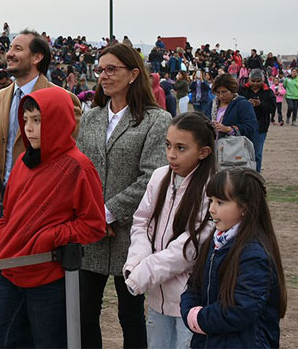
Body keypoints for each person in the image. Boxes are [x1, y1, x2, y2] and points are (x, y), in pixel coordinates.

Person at [0, 87, 105, 348]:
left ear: (58, 119)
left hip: (47, 276)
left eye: (37, 120)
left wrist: (51, 237)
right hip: (10, 269)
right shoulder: (24, 159)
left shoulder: (78, 166)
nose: (29, 128)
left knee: (47, 343)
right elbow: (9, 209)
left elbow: (94, 225)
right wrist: (2, 238)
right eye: (25, 120)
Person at [76, 43, 171, 348]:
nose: (103, 75)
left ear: (133, 73)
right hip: (90, 231)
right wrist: (91, 214)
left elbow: (152, 177)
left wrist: (107, 212)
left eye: (111, 69)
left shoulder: (157, 121)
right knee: (84, 312)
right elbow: (79, 169)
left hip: (131, 233)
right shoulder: (90, 118)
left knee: (130, 315)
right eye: (100, 69)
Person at [124, 112, 217, 348]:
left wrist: (145, 271)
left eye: (181, 148)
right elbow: (142, 223)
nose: (171, 154)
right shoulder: (159, 176)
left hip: (190, 302)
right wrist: (136, 262)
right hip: (157, 299)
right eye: (168, 145)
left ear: (204, 152)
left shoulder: (213, 189)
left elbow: (190, 247)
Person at [180, 168, 287, 348]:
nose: (212, 209)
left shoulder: (254, 255)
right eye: (211, 200)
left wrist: (199, 318)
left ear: (244, 208)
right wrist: (189, 311)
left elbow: (240, 310)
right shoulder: (214, 242)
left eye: (220, 202)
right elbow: (194, 285)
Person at [0, 30, 81, 188]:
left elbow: (70, 156)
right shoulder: (0, 96)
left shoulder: (63, 99)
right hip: (1, 196)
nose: (9, 54)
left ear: (37, 57)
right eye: (10, 48)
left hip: (38, 196)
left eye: (18, 49)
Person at [238, 69, 276, 172]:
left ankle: (256, 175)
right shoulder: (242, 91)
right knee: (242, 152)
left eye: (258, 81)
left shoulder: (268, 92)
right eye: (253, 81)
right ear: (249, 80)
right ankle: (243, 174)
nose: (255, 83)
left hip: (260, 127)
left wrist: (260, 105)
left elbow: (272, 108)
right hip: (244, 126)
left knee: (257, 153)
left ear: (263, 80)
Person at [210, 73, 258, 143]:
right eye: (218, 92)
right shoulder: (211, 105)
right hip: (213, 148)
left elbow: (251, 128)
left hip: (234, 149)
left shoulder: (243, 105)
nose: (221, 96)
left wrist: (228, 129)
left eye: (224, 92)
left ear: (232, 90)